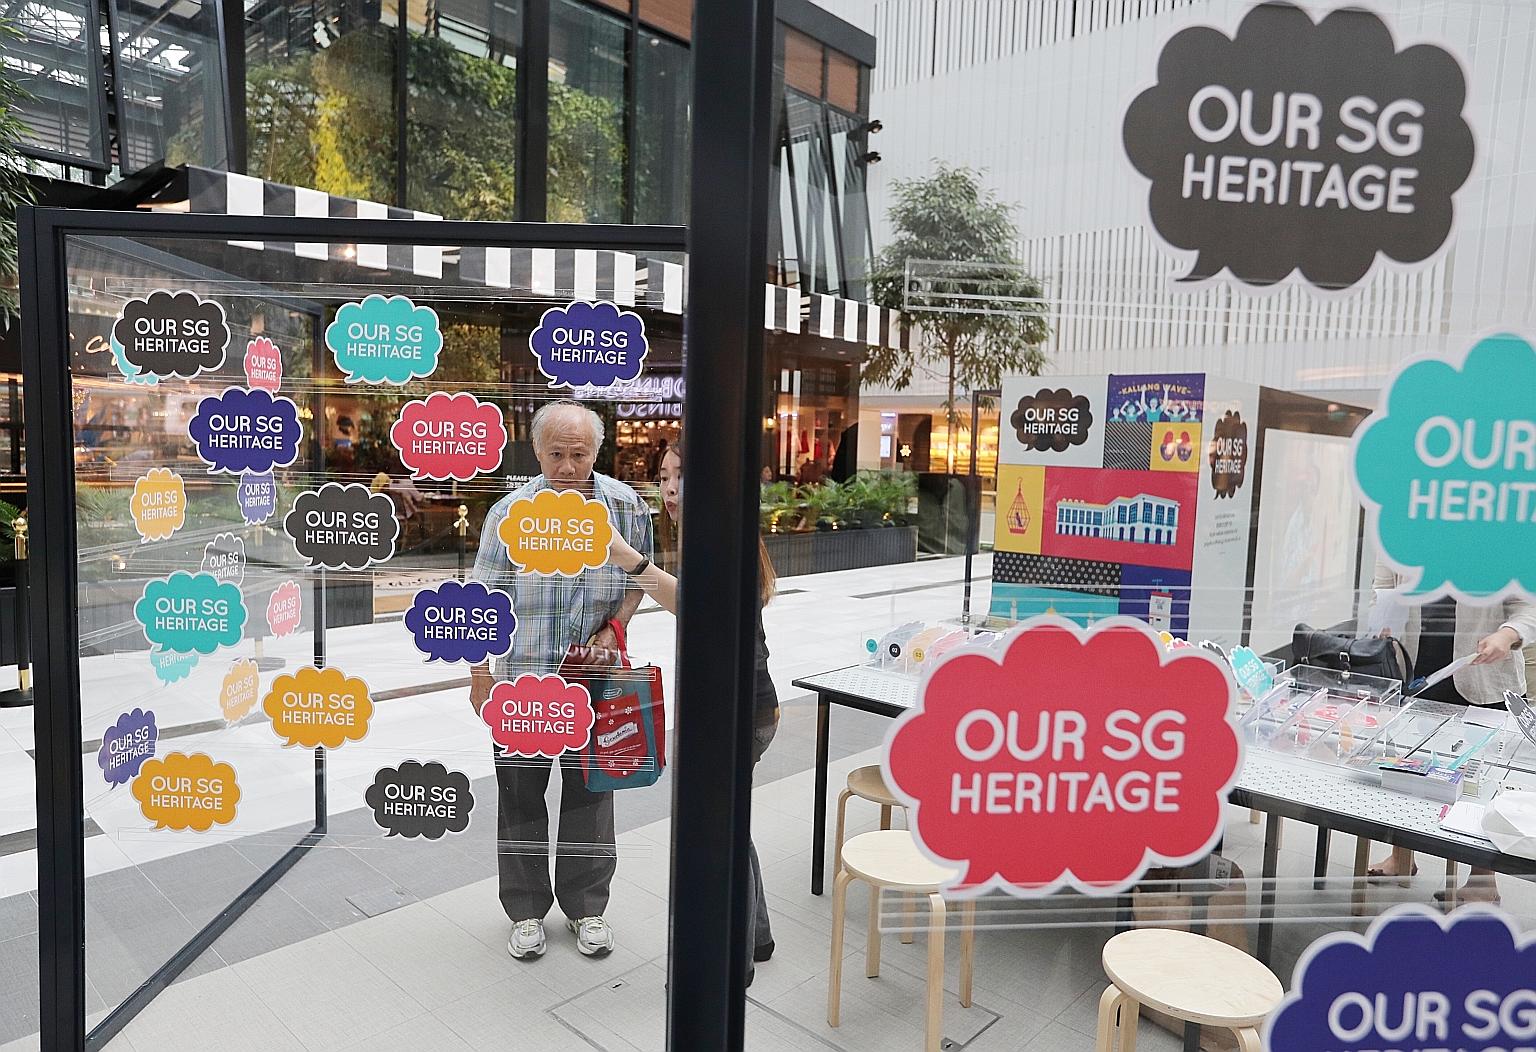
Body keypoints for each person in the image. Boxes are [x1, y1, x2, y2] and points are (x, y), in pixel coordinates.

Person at [469, 400, 653, 959]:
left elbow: (639, 580)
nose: (568, 467)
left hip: (595, 679)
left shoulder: (624, 505)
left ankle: (587, 908)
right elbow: (481, 600)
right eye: (556, 454)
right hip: (523, 681)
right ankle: (525, 911)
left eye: (579, 454)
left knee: (591, 794)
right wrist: (479, 675)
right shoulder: (507, 514)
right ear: (536, 450)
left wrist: (613, 630)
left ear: (597, 452)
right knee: (519, 795)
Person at [605, 439, 782, 986]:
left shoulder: (721, 538)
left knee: (714, 832)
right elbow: (690, 600)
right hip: (744, 710)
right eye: (664, 477)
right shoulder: (715, 532)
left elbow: (710, 616)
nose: (672, 489)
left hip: (734, 714)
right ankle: (756, 937)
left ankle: (733, 962)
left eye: (683, 476)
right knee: (730, 826)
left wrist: (628, 559)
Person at [1366, 563, 1536, 902]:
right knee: (1404, 767)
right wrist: (1380, 622)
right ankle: (1402, 858)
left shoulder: (1493, 530)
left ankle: (1482, 880)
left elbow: (1526, 604)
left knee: (1480, 782)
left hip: (1480, 669)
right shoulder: (1402, 531)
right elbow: (1382, 590)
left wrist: (1507, 634)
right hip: (1416, 666)